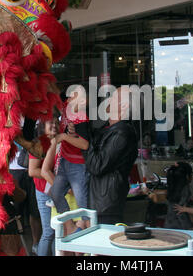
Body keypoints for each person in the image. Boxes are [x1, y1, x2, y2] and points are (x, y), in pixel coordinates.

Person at [82, 86, 139, 224]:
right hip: (99, 201)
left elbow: (97, 165)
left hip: (106, 204)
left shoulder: (122, 133)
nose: (109, 100)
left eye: (114, 97)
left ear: (123, 106)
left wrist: (84, 142)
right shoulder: (109, 128)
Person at [50, 86, 90, 235]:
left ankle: (88, 246)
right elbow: (54, 100)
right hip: (65, 161)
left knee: (83, 208)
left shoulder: (81, 116)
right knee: (55, 193)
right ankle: (71, 227)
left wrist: (64, 137)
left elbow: (85, 145)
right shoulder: (67, 106)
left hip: (77, 165)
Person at [28, 119, 58, 256]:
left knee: (59, 230)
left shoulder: (61, 140)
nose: (54, 125)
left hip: (58, 191)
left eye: (56, 122)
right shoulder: (38, 143)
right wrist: (53, 177)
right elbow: (32, 171)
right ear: (42, 126)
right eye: (50, 122)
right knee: (49, 231)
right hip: (44, 191)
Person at [9, 140, 42, 256]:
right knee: (15, 211)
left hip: (33, 168)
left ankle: (35, 244)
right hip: (14, 169)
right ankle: (17, 246)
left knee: (35, 210)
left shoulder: (35, 122)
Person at [162, 162, 193, 230]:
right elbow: (180, 211)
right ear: (187, 176)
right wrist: (189, 228)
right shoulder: (185, 189)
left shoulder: (171, 186)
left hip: (169, 223)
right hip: (181, 226)